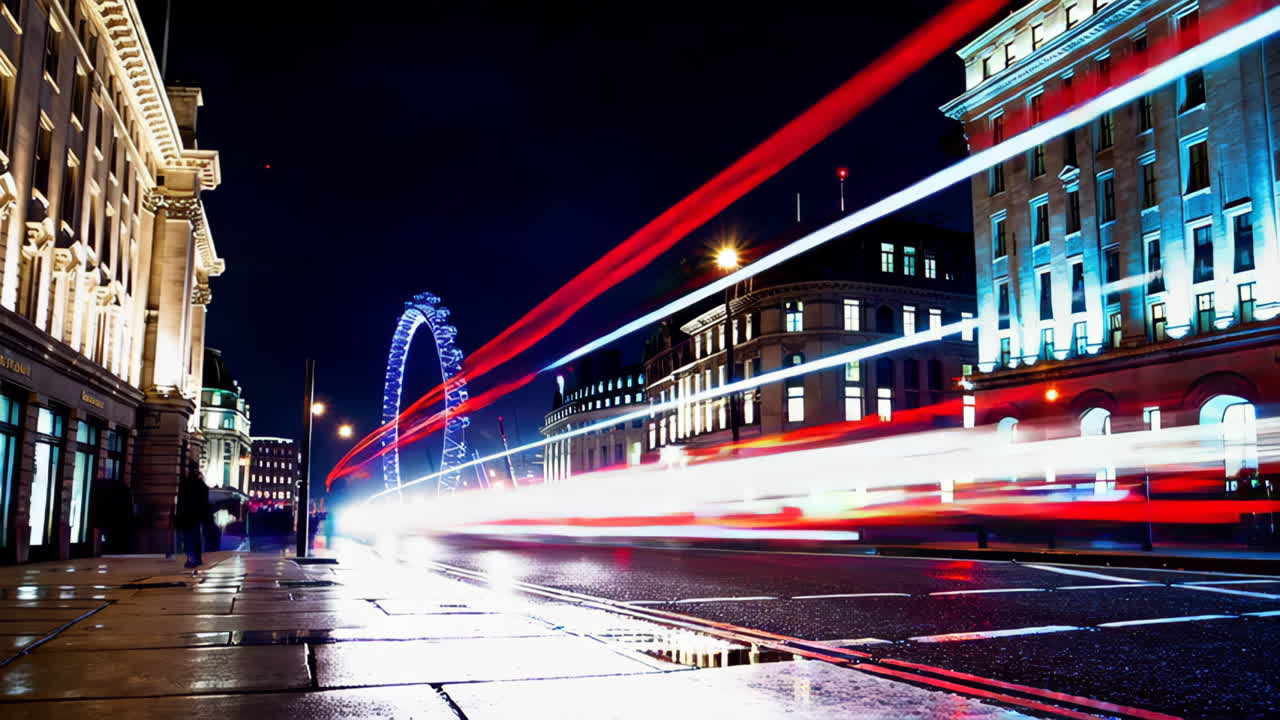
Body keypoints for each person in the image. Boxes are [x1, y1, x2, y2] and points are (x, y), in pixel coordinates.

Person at [176, 456, 209, 569]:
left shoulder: (186, 484)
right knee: (195, 537)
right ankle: (196, 558)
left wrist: (179, 514)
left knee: (188, 538)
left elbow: (181, 502)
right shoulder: (201, 485)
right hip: (195, 516)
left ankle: (191, 559)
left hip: (188, 516)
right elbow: (204, 503)